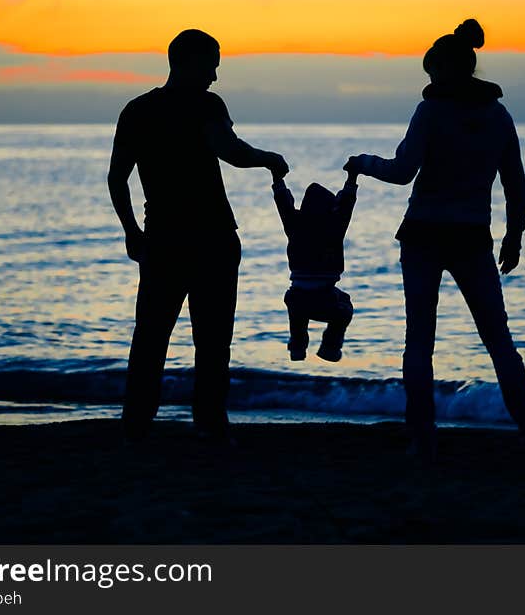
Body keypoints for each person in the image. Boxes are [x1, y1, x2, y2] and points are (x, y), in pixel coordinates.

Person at [344, 19, 525, 460]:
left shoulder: (432, 111)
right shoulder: (497, 115)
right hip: (473, 236)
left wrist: (363, 162)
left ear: (440, 70)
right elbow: (515, 181)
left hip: (423, 234)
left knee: (419, 339)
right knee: (499, 339)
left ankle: (423, 439)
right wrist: (514, 235)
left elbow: (401, 172)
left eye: (431, 73)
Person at [108, 29, 289, 442]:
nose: (214, 76)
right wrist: (269, 160)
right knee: (212, 339)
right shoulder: (206, 105)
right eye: (211, 66)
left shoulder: (137, 109)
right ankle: (209, 422)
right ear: (188, 62)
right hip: (211, 238)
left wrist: (131, 232)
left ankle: (137, 422)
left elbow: (117, 179)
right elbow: (231, 150)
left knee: (151, 336)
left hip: (162, 239)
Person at [271, 172, 358, 362]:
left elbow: (283, 203)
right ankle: (330, 348)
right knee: (345, 308)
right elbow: (346, 205)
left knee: (297, 319)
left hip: (297, 295)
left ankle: (297, 349)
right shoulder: (335, 226)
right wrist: (352, 178)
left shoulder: (295, 224)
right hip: (324, 294)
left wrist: (276, 177)